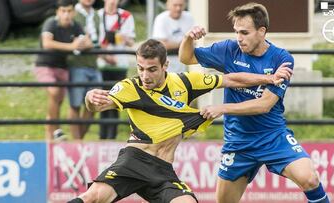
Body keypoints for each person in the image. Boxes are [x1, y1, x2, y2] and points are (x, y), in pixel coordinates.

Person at [67, 39, 292, 203]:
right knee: (93, 197)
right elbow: (99, 104)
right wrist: (89, 98)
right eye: (141, 68)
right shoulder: (129, 88)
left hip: (163, 169)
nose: (145, 76)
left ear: (165, 66)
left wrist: (269, 78)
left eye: (152, 69)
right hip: (133, 161)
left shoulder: (185, 82)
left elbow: (230, 79)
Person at [179, 2, 330, 203]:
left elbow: (264, 105)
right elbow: (186, 57)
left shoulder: (281, 58)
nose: (239, 38)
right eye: (236, 32)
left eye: (244, 32)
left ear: (262, 31)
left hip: (272, 137)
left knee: (309, 178)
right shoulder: (228, 50)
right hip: (238, 142)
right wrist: (188, 38)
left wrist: (222, 108)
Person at [34, 0, 90, 140]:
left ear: (74, 12)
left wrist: (83, 44)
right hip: (44, 65)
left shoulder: (75, 26)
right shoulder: (50, 23)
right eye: (63, 11)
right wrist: (71, 46)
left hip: (63, 67)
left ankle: (50, 134)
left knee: (58, 100)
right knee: (54, 92)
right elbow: (47, 43)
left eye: (69, 11)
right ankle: (56, 129)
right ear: (58, 12)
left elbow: (87, 41)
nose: (66, 15)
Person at [97, 0, 136, 139]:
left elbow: (132, 41)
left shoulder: (126, 16)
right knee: (101, 99)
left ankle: (112, 136)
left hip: (120, 64)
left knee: (115, 99)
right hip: (101, 64)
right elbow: (94, 40)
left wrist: (122, 38)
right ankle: (102, 136)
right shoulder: (98, 15)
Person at [67, 0, 102, 140]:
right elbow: (75, 43)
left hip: (93, 64)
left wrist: (89, 44)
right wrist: (86, 43)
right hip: (76, 64)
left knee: (95, 104)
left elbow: (95, 41)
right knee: (75, 104)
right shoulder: (72, 13)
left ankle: (79, 141)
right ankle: (77, 144)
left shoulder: (97, 15)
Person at [152, 0, 194, 73]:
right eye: (175, 5)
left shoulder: (189, 17)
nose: (178, 8)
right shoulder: (161, 19)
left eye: (181, 5)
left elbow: (194, 41)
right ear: (168, 5)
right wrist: (184, 43)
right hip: (165, 59)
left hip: (182, 60)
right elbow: (162, 44)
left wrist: (175, 44)